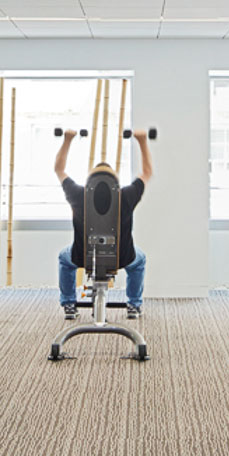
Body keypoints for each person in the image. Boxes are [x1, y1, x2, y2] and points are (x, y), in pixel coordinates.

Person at [55, 127, 153, 320]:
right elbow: (147, 172)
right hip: (121, 257)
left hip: (83, 256)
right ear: (114, 182)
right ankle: (134, 305)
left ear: (89, 181)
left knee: (64, 258)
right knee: (139, 260)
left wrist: (67, 140)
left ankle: (69, 304)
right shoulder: (126, 195)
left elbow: (59, 169)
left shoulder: (77, 194)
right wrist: (142, 141)